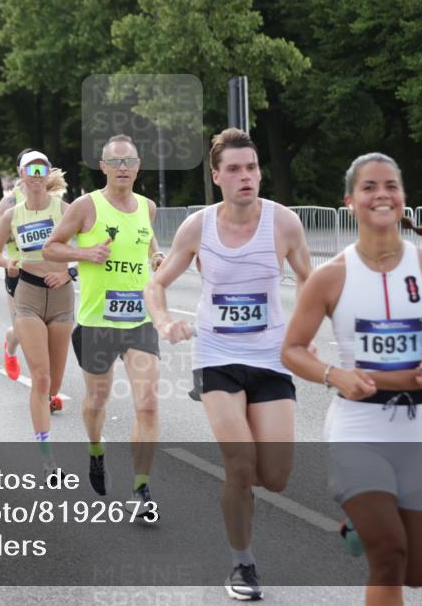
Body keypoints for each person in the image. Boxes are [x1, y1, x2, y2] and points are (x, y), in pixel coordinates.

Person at [281, 152, 422, 606]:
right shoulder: (330, 277)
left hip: (420, 426)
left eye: (391, 185)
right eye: (369, 187)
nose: (381, 194)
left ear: (404, 198)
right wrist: (335, 375)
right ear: (350, 201)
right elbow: (291, 350)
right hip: (358, 425)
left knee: (419, 570)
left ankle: (359, 524)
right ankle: (368, 517)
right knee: (388, 553)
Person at [145, 128, 314, 601]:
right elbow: (155, 285)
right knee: (239, 465)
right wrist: (163, 322)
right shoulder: (198, 227)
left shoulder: (284, 224)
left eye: (252, 167)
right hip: (216, 356)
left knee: (275, 476)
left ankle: (243, 497)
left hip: (270, 358)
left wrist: (305, 334)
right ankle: (243, 565)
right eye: (235, 169)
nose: (246, 176)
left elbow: (310, 283)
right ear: (216, 176)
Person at [44, 133, 165, 513]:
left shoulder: (148, 207)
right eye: (115, 162)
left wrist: (158, 257)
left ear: (138, 166)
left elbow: (147, 243)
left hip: (139, 321)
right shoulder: (85, 206)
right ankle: (96, 450)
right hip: (97, 322)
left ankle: (141, 489)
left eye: (129, 161)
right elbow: (51, 247)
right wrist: (84, 253)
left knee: (147, 404)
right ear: (103, 167)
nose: (123, 168)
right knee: (98, 398)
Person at [0, 151, 74, 480]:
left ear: (47, 173)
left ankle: (12, 341)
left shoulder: (65, 209)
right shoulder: (11, 211)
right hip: (26, 289)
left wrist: (69, 272)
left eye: (42, 168)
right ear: (21, 174)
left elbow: (90, 246)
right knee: (39, 378)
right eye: (30, 169)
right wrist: (6, 262)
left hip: (62, 296)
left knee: (53, 385)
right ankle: (47, 457)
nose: (36, 174)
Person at [0, 152, 32, 382]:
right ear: (19, 170)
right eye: (29, 167)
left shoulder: (56, 198)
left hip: (50, 272)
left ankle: (48, 392)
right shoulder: (10, 202)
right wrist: (14, 233)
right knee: (25, 331)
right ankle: (10, 345)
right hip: (19, 272)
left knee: (50, 335)